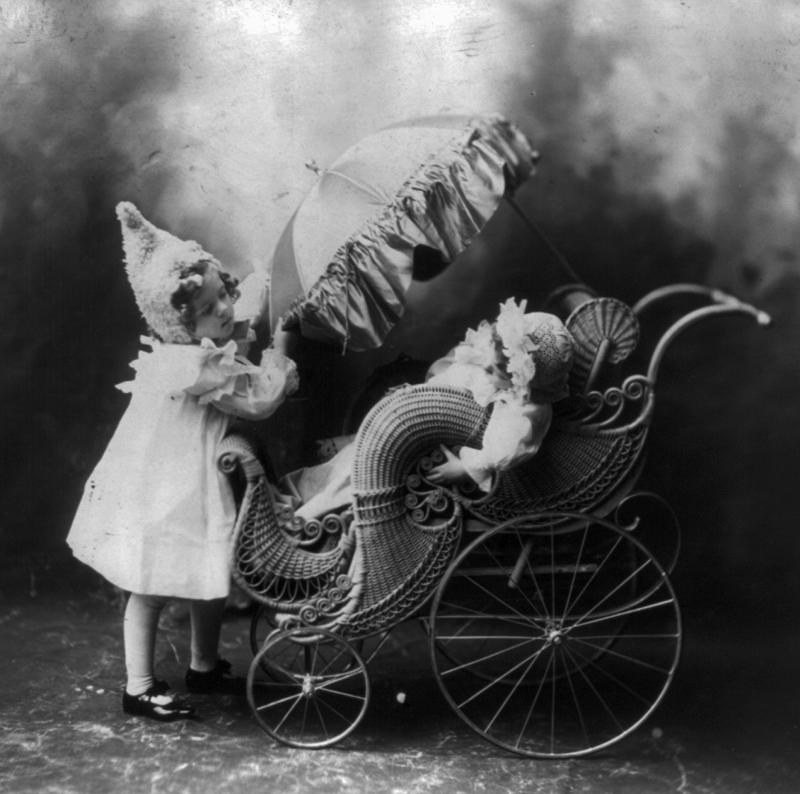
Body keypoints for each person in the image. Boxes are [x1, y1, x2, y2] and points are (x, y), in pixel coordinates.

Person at [66, 203, 298, 722]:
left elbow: (235, 318)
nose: (224, 308)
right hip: (163, 485)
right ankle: (139, 686)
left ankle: (203, 665)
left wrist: (257, 286)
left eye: (223, 293)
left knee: (206, 574)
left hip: (189, 475)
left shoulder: (197, 342)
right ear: (179, 321)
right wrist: (281, 351)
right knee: (150, 584)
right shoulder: (193, 364)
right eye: (212, 304)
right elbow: (256, 402)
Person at [283, 298, 574, 519]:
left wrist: (465, 468)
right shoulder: (493, 374)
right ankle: (302, 491)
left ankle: (312, 513)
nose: (488, 366)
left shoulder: (523, 411)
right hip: (429, 426)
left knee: (366, 464)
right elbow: (459, 380)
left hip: (443, 448)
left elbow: (505, 450)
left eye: (498, 368)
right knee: (356, 454)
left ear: (522, 376)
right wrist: (418, 394)